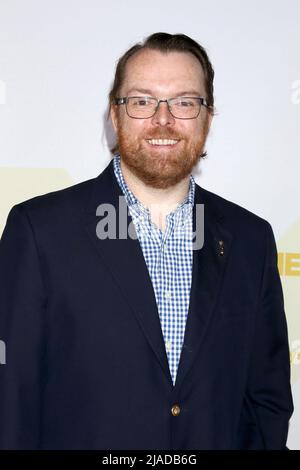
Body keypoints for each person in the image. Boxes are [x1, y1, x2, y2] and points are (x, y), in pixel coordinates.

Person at [0, 32, 294, 450]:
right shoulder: (39, 231)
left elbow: (266, 399)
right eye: (141, 101)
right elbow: (11, 396)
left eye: (184, 102)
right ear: (115, 115)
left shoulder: (251, 239)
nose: (163, 119)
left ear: (207, 118)